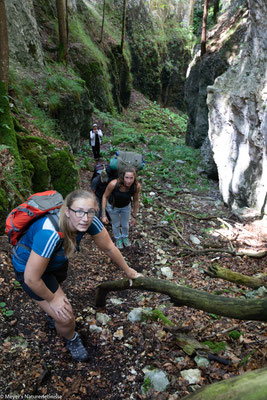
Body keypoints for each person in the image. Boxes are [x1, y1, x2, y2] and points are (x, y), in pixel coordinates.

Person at [11, 189, 142, 362]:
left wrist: (128, 270)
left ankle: (52, 314)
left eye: (90, 212)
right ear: (67, 211)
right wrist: (52, 299)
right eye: (79, 211)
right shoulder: (49, 232)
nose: (85, 218)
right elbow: (31, 278)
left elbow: (109, 247)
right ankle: (71, 338)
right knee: (65, 317)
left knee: (57, 292)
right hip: (30, 269)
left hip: (55, 261)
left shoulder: (89, 222)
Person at [101, 167, 141, 249]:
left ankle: (125, 237)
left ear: (134, 178)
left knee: (125, 224)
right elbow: (104, 196)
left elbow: (136, 201)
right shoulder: (113, 184)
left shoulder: (136, 186)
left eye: (131, 178)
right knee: (115, 224)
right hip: (112, 206)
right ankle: (118, 238)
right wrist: (103, 214)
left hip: (125, 206)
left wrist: (134, 216)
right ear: (123, 177)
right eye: (126, 177)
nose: (128, 181)